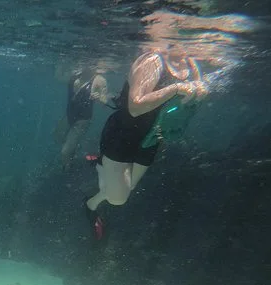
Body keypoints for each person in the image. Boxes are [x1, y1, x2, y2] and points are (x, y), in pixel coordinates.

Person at [84, 47, 208, 240]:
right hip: (124, 135)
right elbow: (135, 107)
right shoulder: (153, 61)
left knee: (129, 187)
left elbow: (194, 95)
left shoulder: (191, 64)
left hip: (152, 137)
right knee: (118, 199)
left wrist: (201, 91)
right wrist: (175, 88)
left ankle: (97, 188)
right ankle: (94, 187)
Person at [56, 68, 109, 170]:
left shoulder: (99, 80)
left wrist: (99, 98)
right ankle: (74, 147)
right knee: (57, 136)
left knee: (65, 151)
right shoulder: (75, 73)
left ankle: (67, 168)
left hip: (82, 120)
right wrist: (60, 67)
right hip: (69, 115)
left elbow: (104, 102)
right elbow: (58, 77)